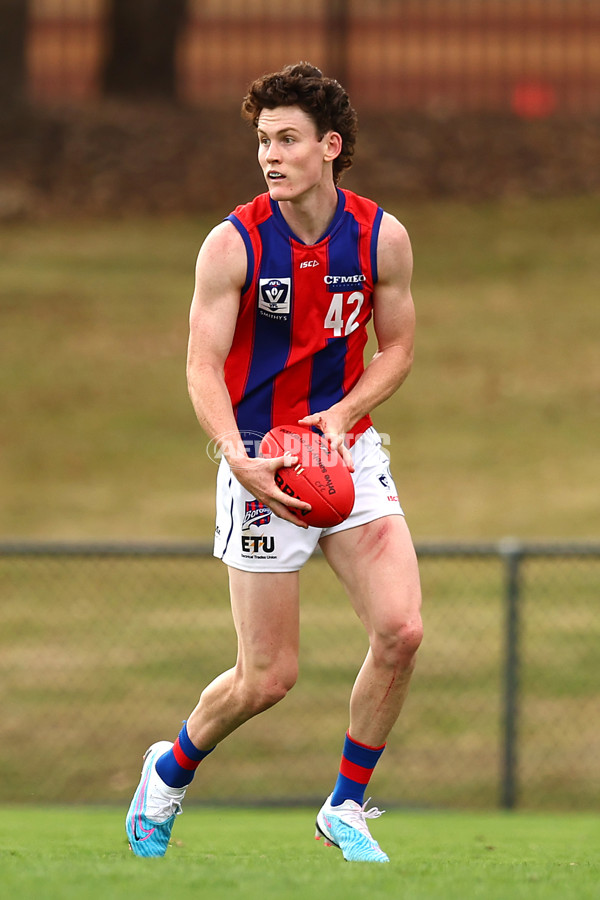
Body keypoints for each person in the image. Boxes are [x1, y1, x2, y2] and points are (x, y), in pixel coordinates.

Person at [126, 61, 422, 864]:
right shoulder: (233, 244)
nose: (271, 154)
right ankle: (169, 770)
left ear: (330, 147)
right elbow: (199, 365)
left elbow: (396, 346)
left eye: (288, 139)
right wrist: (238, 460)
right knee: (268, 679)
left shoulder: (380, 237)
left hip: (343, 451)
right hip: (260, 461)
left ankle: (347, 805)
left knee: (401, 630)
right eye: (263, 140)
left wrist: (348, 412)